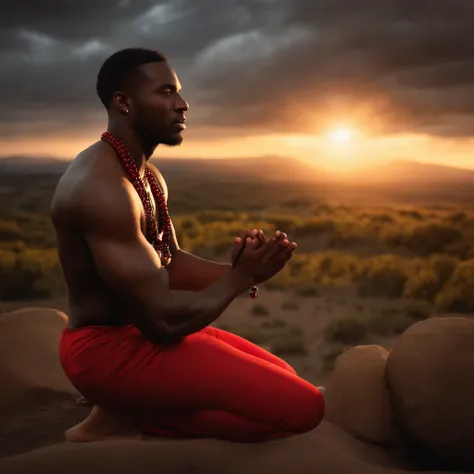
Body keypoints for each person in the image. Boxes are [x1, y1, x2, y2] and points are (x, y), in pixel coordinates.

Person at [51, 48, 325, 443]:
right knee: (305, 408)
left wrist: (243, 271)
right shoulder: (102, 189)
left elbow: (170, 262)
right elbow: (163, 322)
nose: (183, 105)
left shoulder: (148, 177)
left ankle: (129, 405)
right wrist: (237, 280)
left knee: (286, 377)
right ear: (124, 103)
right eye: (165, 93)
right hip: (104, 353)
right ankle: (129, 414)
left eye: (178, 92)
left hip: (137, 335)